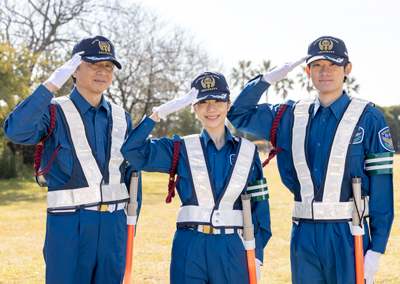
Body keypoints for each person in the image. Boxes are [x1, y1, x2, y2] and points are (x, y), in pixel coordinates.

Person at [227, 36, 394, 284]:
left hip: (349, 235)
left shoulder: (368, 118)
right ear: (308, 71)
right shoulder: (290, 116)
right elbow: (238, 115)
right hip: (303, 234)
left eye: (333, 65)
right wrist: (268, 79)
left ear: (347, 69)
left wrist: (377, 249)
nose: (325, 71)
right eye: (317, 65)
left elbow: (382, 190)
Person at [4, 35, 142, 284]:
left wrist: (130, 224)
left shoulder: (123, 118)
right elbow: (16, 131)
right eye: (93, 65)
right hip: (69, 230)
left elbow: (131, 176)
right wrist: (49, 86)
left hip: (114, 229)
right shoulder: (52, 111)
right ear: (75, 69)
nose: (102, 72)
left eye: (108, 66)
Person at [121, 71, 271, 284]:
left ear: (228, 104)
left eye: (218, 101)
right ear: (194, 108)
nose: (211, 109)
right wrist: (157, 114)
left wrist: (256, 254)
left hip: (234, 248)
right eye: (203, 102)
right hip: (189, 247)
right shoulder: (179, 148)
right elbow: (131, 150)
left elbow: (260, 208)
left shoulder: (248, 152)